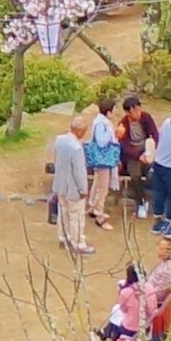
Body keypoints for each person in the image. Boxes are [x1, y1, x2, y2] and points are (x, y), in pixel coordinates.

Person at [47, 102, 94, 252]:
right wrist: (83, 189)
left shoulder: (59, 140)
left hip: (60, 184)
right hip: (73, 188)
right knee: (76, 216)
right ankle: (77, 242)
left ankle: (63, 237)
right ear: (80, 131)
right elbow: (79, 172)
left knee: (63, 212)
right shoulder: (77, 148)